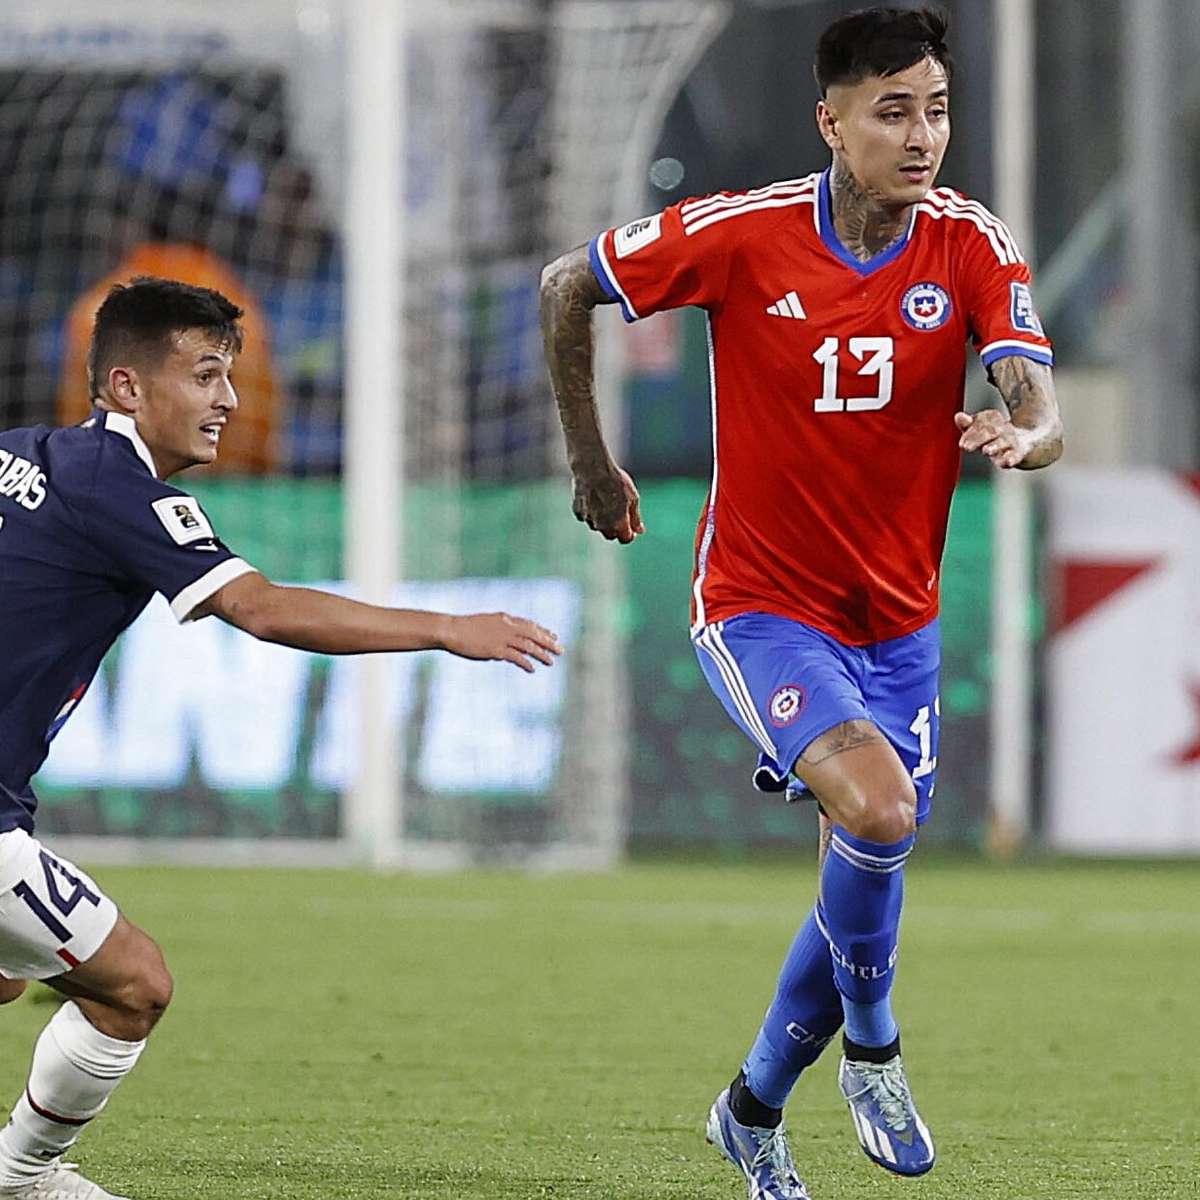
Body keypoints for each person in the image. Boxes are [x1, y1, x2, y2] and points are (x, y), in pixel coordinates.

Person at [540, 7, 1061, 1198]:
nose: (922, 135)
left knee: (860, 865)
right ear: (831, 121)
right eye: (893, 111)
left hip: (903, 626)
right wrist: (589, 459)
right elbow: (570, 284)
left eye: (935, 108)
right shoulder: (745, 235)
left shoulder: (968, 242)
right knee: (877, 816)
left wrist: (1026, 435)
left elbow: (1038, 395)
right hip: (761, 605)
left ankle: (750, 1110)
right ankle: (875, 1054)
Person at [0, 277, 561, 1200]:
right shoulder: (122, 488)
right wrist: (447, 627)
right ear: (128, 388)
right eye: (208, 374)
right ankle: (22, 1176)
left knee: (6, 980)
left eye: (232, 375)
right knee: (135, 985)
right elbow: (259, 610)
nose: (228, 399)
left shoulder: (30, 454)